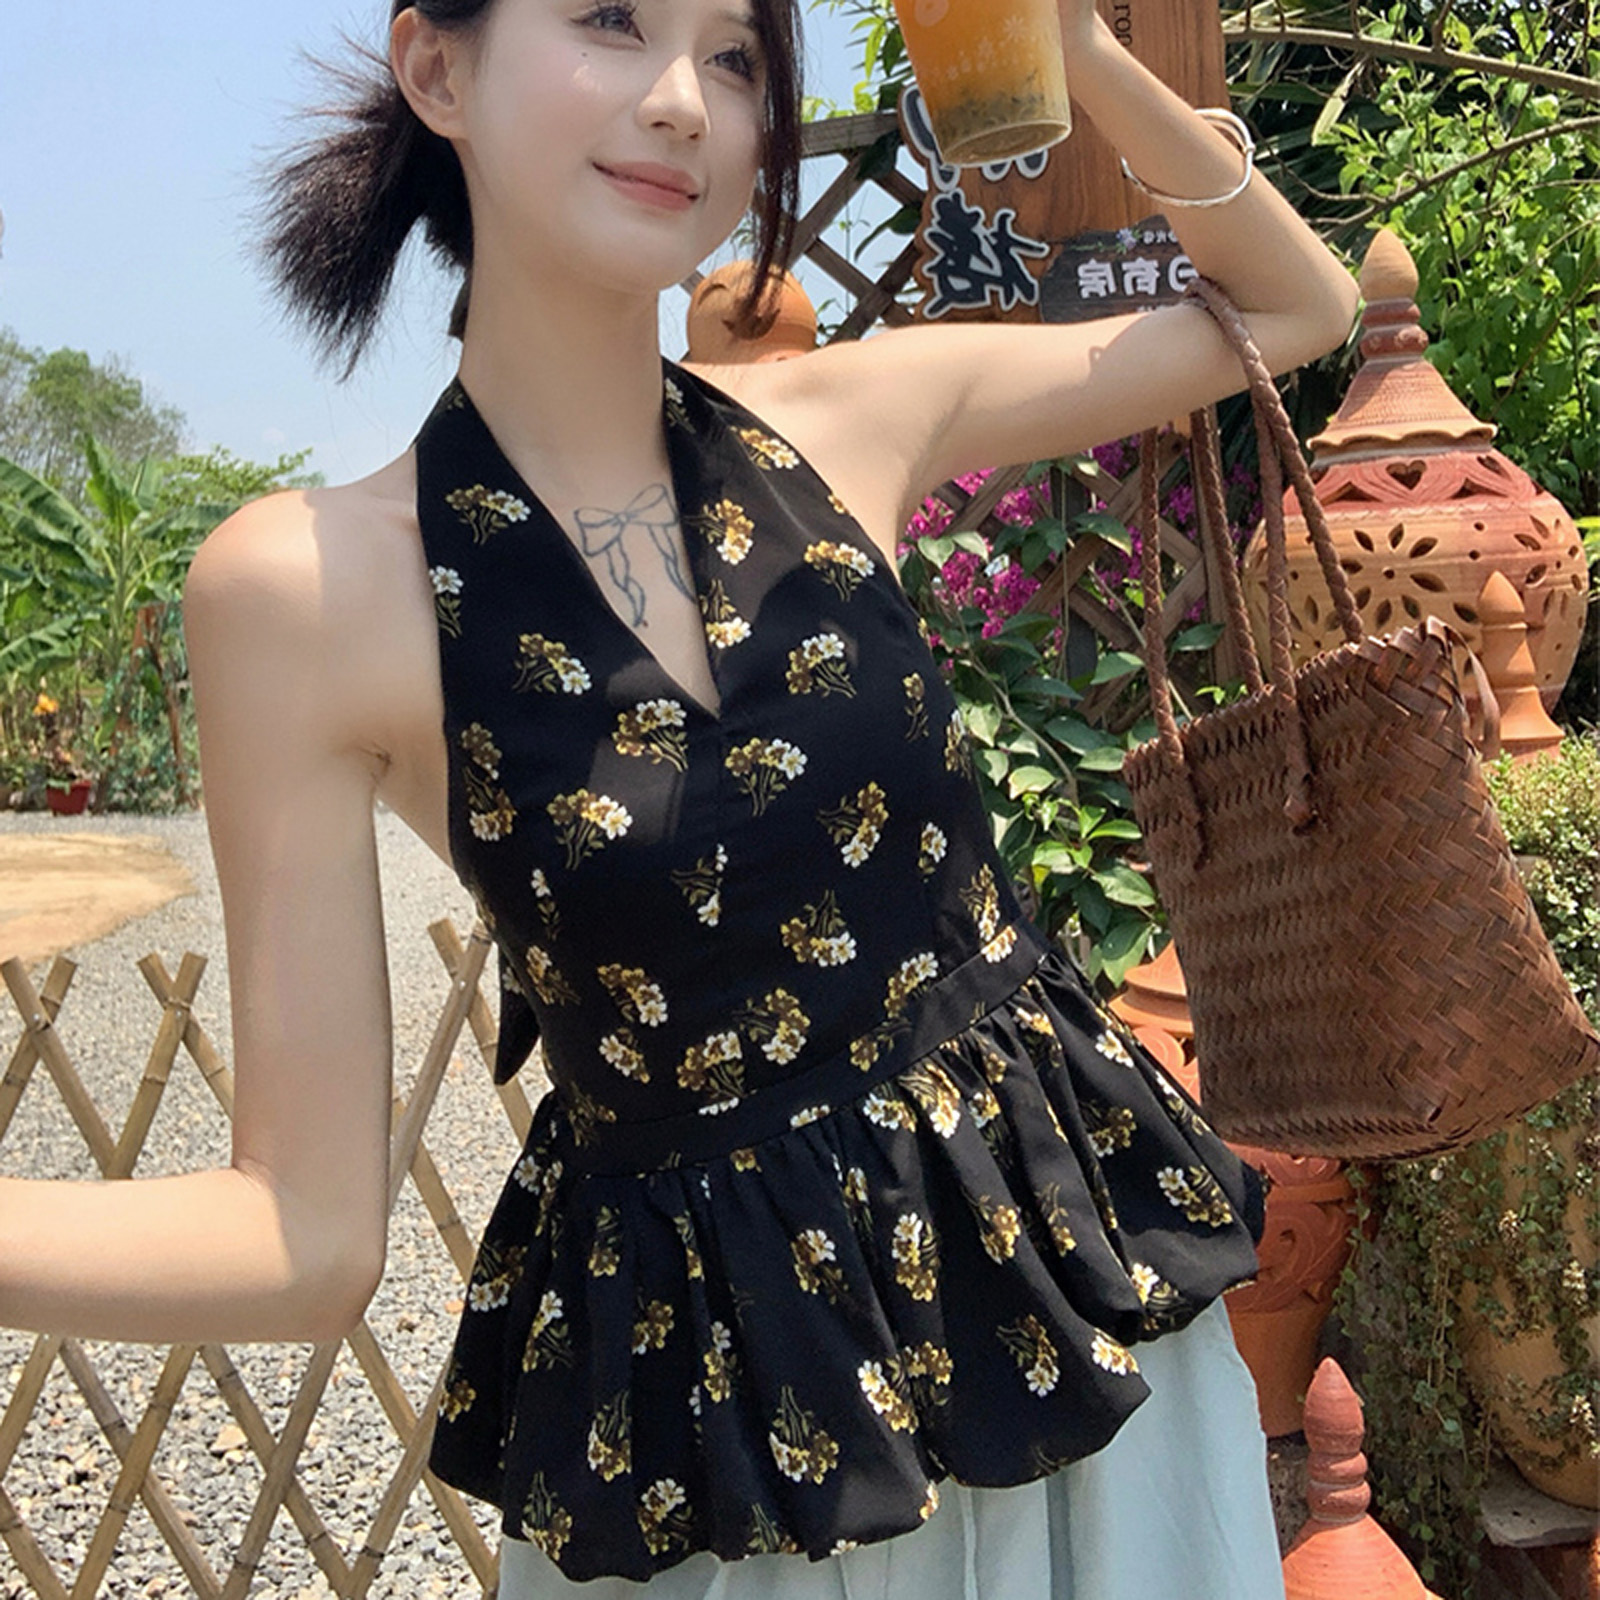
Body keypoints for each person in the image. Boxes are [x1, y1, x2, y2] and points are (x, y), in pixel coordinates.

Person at [0, 0, 1360, 1594]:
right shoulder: (304, 590)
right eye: (609, 19)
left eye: (734, 57)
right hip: (754, 1420)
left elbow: (1297, 306)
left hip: (1067, 1296)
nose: (681, 102)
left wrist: (1076, 45)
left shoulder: (851, 415)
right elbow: (302, 1240)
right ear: (435, 66)